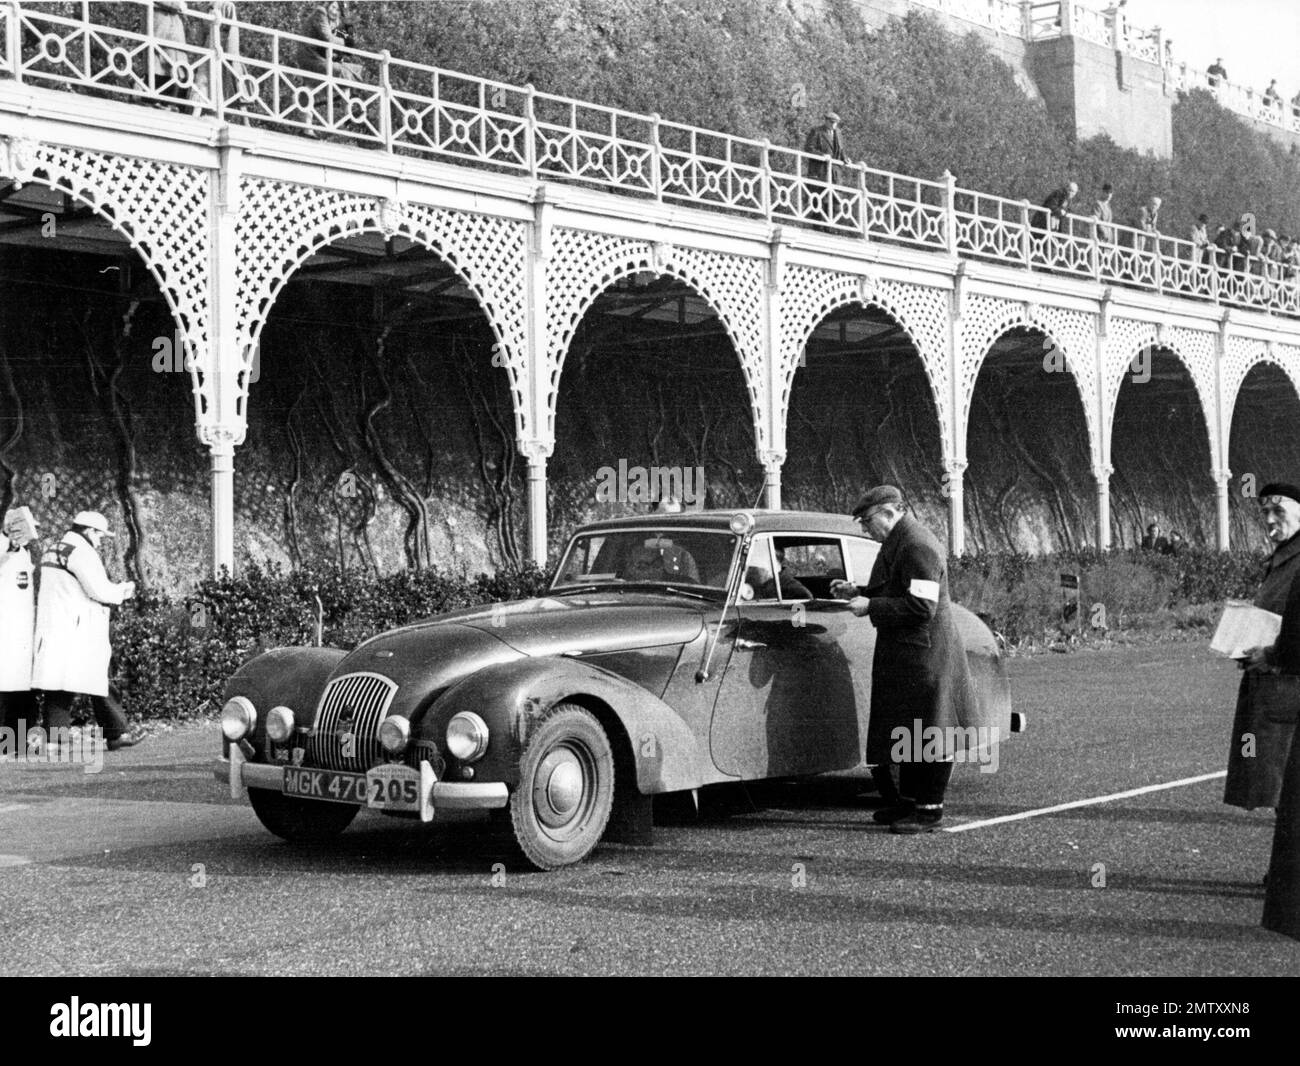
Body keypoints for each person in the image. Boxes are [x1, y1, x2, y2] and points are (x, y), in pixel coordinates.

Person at [829, 485, 976, 834]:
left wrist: (871, 606)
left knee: (929, 730)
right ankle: (909, 803)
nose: (865, 529)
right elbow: (901, 589)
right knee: (912, 729)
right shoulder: (901, 541)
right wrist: (860, 591)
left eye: (867, 521)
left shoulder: (916, 545)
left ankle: (928, 810)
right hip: (909, 654)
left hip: (923, 654)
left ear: (889, 513)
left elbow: (922, 606)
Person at [30, 511, 143, 751]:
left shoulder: (54, 548)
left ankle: (54, 739)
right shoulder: (82, 552)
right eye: (100, 535)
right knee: (99, 678)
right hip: (80, 627)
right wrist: (124, 590)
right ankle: (117, 733)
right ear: (90, 531)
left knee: (59, 682)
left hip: (55, 623)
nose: (101, 541)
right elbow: (100, 591)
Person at [1224, 483, 1300, 813]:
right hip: (1273, 686)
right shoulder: (1283, 558)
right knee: (1281, 788)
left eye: (1278, 511)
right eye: (1265, 512)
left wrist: (1270, 655)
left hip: (1288, 685)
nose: (1269, 519)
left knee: (1289, 788)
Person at [0, 507, 39, 742]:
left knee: (22, 686)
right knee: (4, 684)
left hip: (22, 629)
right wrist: (8, 541)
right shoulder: (4, 546)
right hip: (5, 627)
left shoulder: (24, 552)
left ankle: (18, 740)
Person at [143, 0, 192, 106]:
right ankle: (154, 101)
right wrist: (177, 4)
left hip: (173, 29)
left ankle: (171, 104)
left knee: (176, 69)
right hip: (160, 26)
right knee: (157, 66)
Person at [300, 2, 363, 82]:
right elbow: (328, 38)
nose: (334, 11)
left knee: (357, 69)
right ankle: (340, 94)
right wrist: (346, 43)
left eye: (337, 10)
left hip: (320, 57)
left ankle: (349, 94)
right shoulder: (320, 13)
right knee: (343, 72)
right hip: (310, 58)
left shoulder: (333, 20)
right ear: (328, 4)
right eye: (333, 7)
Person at [746, 547, 812, 601]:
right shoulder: (756, 583)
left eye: (756, 562)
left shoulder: (793, 589)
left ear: (773, 564)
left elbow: (806, 605)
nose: (750, 568)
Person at [802, 111, 847, 187]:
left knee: (836, 196)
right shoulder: (817, 131)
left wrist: (845, 158)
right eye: (832, 122)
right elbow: (809, 148)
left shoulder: (838, 133)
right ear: (826, 121)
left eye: (836, 123)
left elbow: (841, 149)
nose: (834, 125)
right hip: (819, 171)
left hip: (835, 173)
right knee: (819, 196)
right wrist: (822, 155)